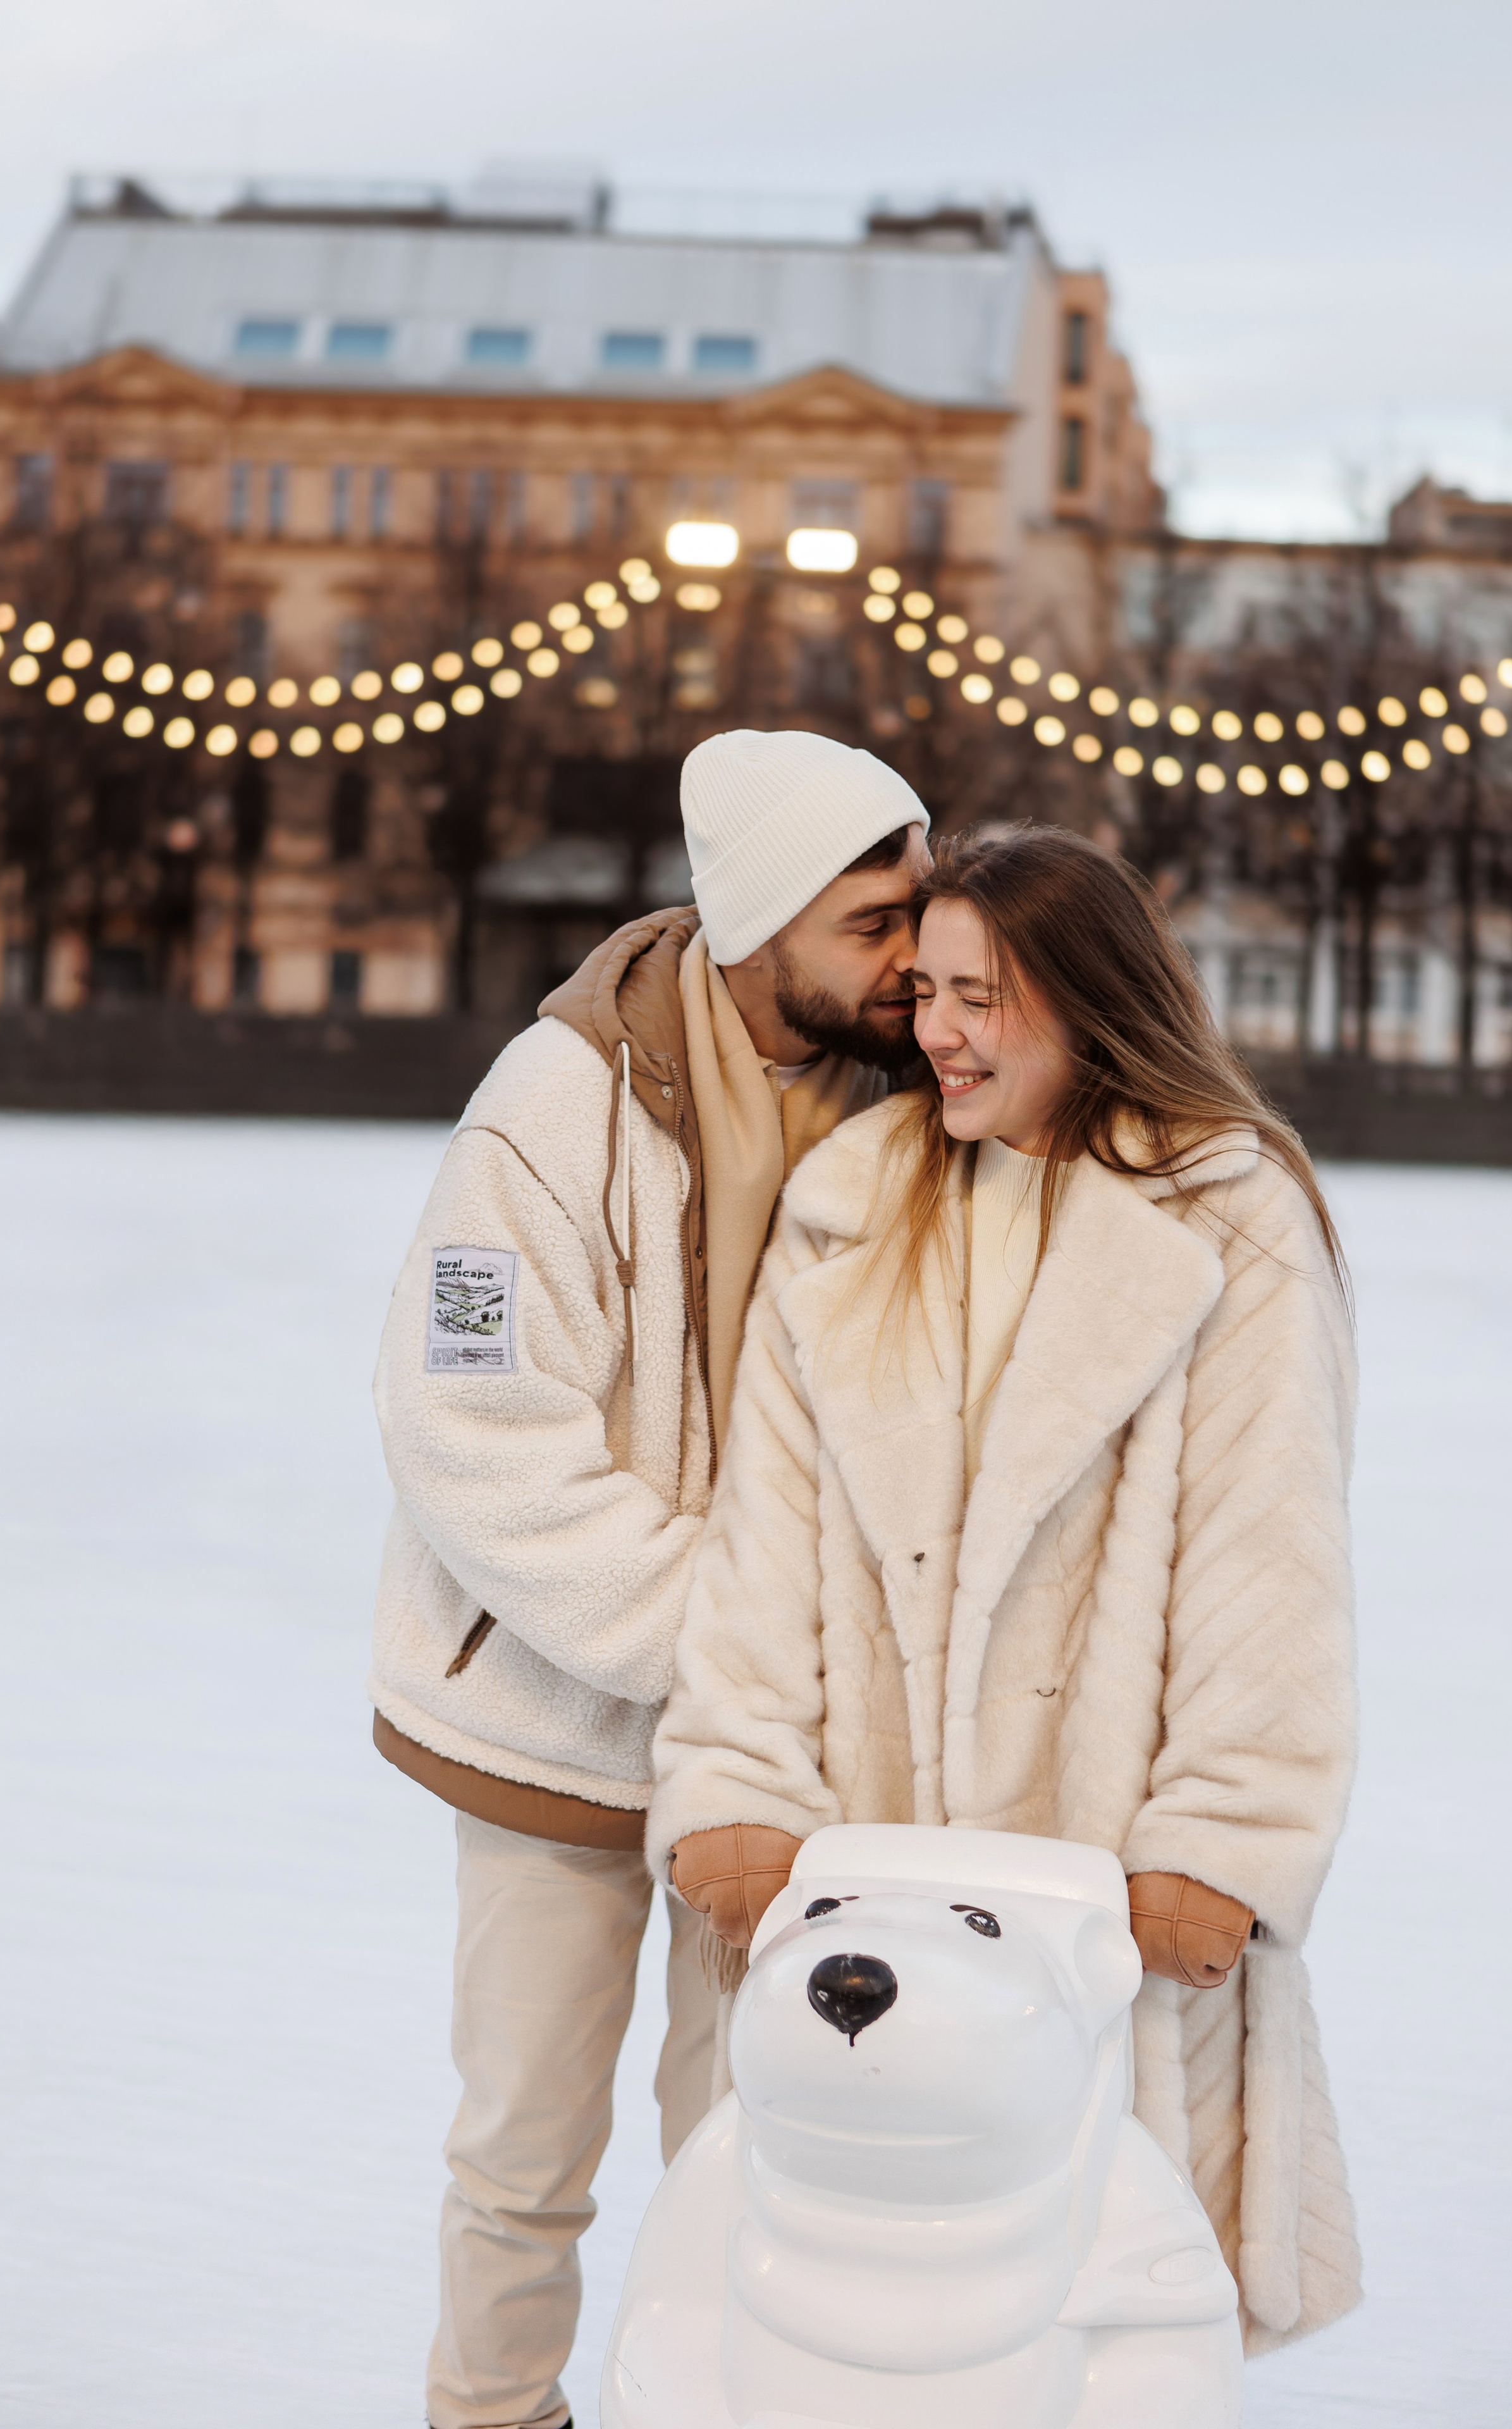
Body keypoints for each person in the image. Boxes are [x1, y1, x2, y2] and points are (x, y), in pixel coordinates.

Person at [651, 823, 1361, 2356]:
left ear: (1090, 1001)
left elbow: (1269, 1562)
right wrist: (735, 1782)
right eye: (925, 993)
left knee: (1097, 2316)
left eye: (981, 997)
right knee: (847, 2319)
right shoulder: (851, 1207)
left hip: (1107, 1891)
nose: (938, 1034)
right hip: (868, 1868)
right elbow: (764, 1546)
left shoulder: (1229, 1219)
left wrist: (1222, 1836)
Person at [368, 726, 931, 2429]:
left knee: (753, 2152)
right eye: (873, 922)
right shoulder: (550, 1111)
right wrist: (727, 1636)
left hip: (786, 1759)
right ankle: (494, 2414)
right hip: (555, 1730)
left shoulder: (917, 1109)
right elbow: (474, 1427)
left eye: (920, 911)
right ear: (757, 922)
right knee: (523, 2156)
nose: (915, 957)